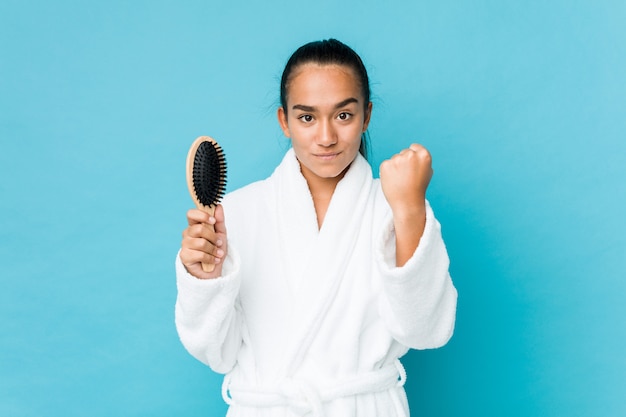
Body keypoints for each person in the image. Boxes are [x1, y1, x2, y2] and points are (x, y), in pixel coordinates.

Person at [175, 38, 457, 417]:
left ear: (366, 116)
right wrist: (204, 283)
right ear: (284, 121)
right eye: (307, 117)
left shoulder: (396, 207)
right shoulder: (238, 212)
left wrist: (408, 209)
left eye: (343, 115)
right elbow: (217, 353)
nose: (326, 137)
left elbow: (425, 331)